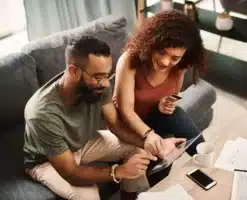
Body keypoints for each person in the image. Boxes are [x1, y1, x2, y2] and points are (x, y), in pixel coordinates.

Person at [23, 35, 163, 200]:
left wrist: (152, 144)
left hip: (83, 142)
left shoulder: (98, 86)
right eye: (98, 76)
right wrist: (119, 171)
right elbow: (71, 173)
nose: (105, 83)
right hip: (47, 161)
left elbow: (115, 125)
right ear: (73, 71)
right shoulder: (42, 114)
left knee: (137, 150)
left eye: (107, 75)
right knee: (89, 196)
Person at [113, 10, 207, 185]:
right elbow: (124, 109)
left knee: (176, 114)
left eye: (174, 57)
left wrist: (164, 103)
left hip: (154, 119)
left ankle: (207, 163)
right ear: (151, 43)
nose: (165, 62)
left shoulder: (180, 66)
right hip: (128, 126)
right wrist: (149, 134)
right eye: (162, 52)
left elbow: (173, 95)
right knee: (152, 164)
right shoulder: (129, 60)